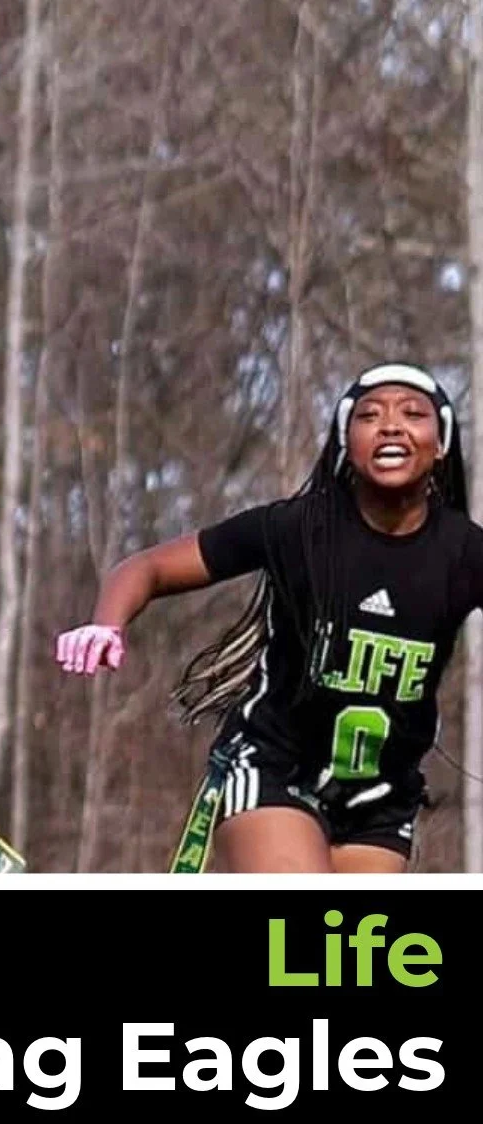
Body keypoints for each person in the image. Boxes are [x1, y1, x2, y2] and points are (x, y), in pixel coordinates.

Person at [55, 362, 480, 873]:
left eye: (413, 414)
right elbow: (148, 567)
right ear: (346, 442)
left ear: (441, 445)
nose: (390, 424)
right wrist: (106, 622)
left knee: (351, 953)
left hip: (381, 800)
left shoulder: (465, 553)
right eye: (369, 415)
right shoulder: (297, 528)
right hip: (273, 767)